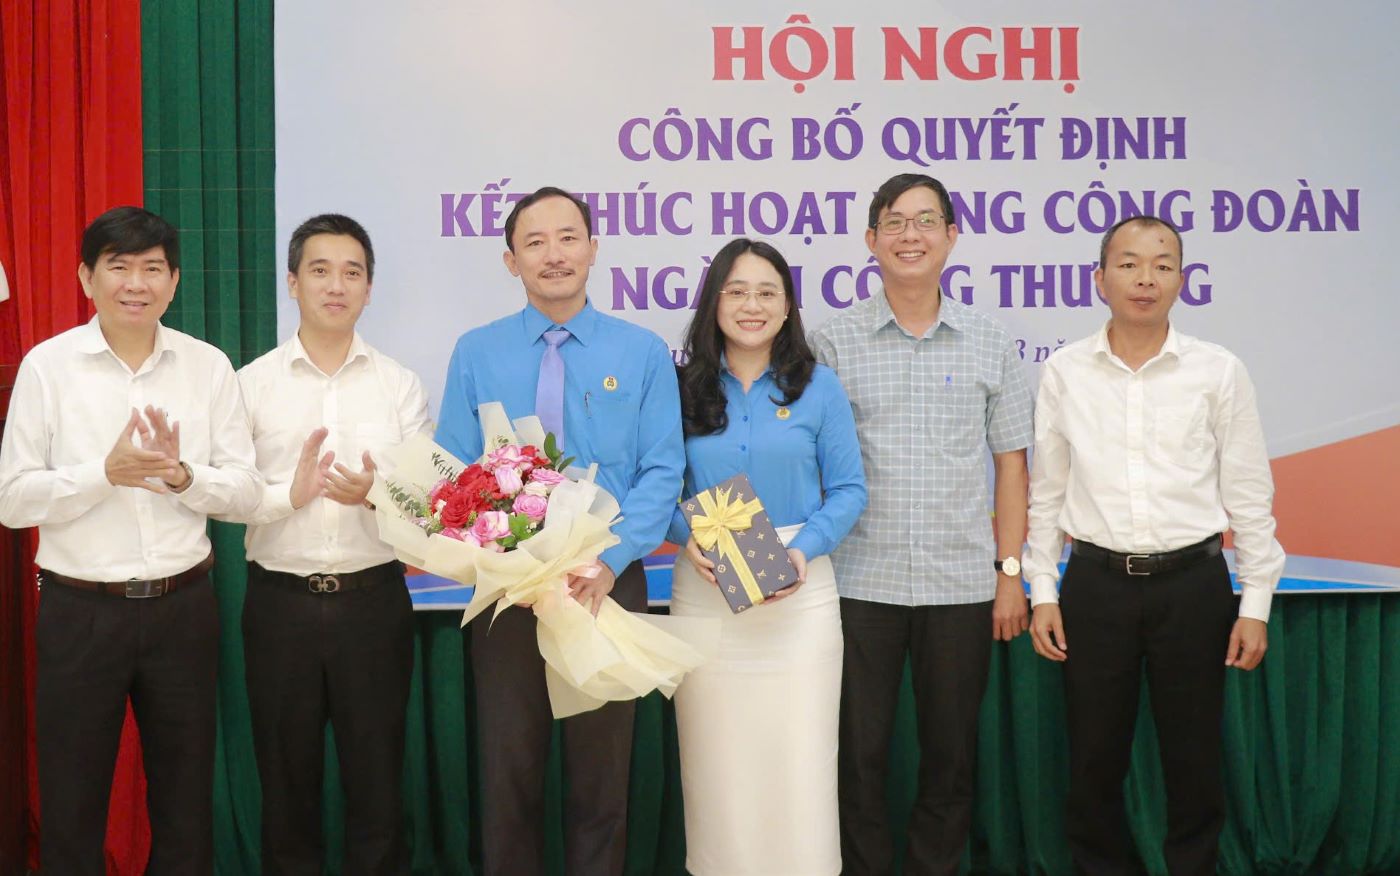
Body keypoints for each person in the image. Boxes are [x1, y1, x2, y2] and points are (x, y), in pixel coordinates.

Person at [0, 206, 260, 874]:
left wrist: (180, 476)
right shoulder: (47, 368)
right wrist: (102, 475)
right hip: (79, 612)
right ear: (88, 277)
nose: (135, 283)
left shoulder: (207, 368)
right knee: (71, 801)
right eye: (119, 267)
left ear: (174, 283)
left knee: (184, 803)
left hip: (183, 608)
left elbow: (245, 493)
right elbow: (12, 498)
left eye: (152, 269)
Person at [435, 186, 684, 876]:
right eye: (535, 242)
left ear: (594, 249)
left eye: (569, 237)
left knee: (601, 779)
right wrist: (505, 562)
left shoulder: (640, 352)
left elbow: (663, 471)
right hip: (509, 595)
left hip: (605, 584)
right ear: (511, 260)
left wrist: (610, 561)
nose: (554, 254)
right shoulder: (477, 351)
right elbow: (453, 473)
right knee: (508, 776)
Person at [1024, 215, 1284, 875]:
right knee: (1093, 757)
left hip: (1192, 585)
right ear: (1100, 278)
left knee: (1195, 756)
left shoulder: (1218, 372)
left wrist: (1255, 601)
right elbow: (1046, 494)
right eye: (1130, 263)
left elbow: (1249, 493)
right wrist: (1042, 590)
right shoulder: (1064, 372)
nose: (1146, 278)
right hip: (1096, 585)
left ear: (1181, 280)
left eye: (1163, 265)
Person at [809, 173, 1035, 876]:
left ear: (952, 237)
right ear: (871, 240)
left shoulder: (991, 341)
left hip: (962, 584)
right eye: (896, 223)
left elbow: (1011, 469)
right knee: (859, 753)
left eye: (927, 221)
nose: (912, 236)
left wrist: (1010, 577)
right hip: (856, 580)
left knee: (950, 757)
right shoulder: (831, 342)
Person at [234, 214, 429, 874]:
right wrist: (286, 494)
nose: (336, 285)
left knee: (377, 784)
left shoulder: (399, 385)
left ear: (370, 289)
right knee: (285, 787)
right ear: (293, 282)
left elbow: (430, 506)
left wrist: (376, 492)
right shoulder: (251, 383)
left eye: (353, 272)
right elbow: (229, 498)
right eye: (320, 270)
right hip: (278, 607)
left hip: (372, 605)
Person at [667, 238, 867, 875]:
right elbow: (656, 485)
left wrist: (804, 549)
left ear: (787, 308)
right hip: (705, 594)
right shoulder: (678, 386)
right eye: (736, 290)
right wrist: (683, 533)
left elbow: (849, 491)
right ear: (713, 302)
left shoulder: (820, 388)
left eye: (767, 292)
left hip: (800, 597)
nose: (751, 305)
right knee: (716, 765)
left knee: (799, 762)